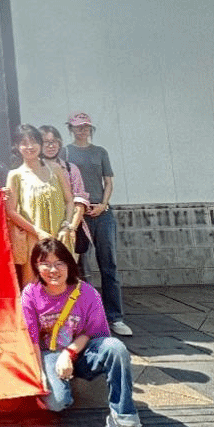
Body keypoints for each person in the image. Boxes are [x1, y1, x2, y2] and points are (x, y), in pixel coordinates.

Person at [21, 239, 157, 427]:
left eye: (59, 263)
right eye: (45, 264)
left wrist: (68, 353)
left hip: (81, 352)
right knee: (56, 403)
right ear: (36, 267)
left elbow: (92, 332)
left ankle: (125, 420)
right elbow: (31, 341)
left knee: (115, 348)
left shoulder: (86, 293)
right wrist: (40, 376)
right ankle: (61, 384)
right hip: (48, 355)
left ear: (69, 264)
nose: (53, 270)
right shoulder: (30, 294)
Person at [64, 112, 132, 337]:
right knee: (81, 267)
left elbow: (108, 182)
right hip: (79, 214)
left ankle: (115, 317)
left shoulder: (100, 152)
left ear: (90, 129)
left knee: (109, 265)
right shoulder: (65, 152)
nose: (81, 130)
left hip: (102, 214)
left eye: (85, 127)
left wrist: (103, 204)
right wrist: (77, 209)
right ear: (71, 129)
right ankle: (85, 316)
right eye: (77, 127)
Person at [6, 125, 75, 285]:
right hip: (33, 239)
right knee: (33, 283)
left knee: (61, 282)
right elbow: (11, 211)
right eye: (24, 143)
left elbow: (69, 200)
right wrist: (38, 232)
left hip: (59, 235)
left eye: (33, 142)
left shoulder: (55, 169)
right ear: (17, 146)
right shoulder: (15, 175)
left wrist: (67, 225)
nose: (29, 147)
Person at [39, 125, 90, 258]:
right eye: (45, 142)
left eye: (54, 142)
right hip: (40, 229)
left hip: (66, 228)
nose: (51, 146)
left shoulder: (70, 169)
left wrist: (71, 227)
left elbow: (80, 200)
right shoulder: (30, 171)